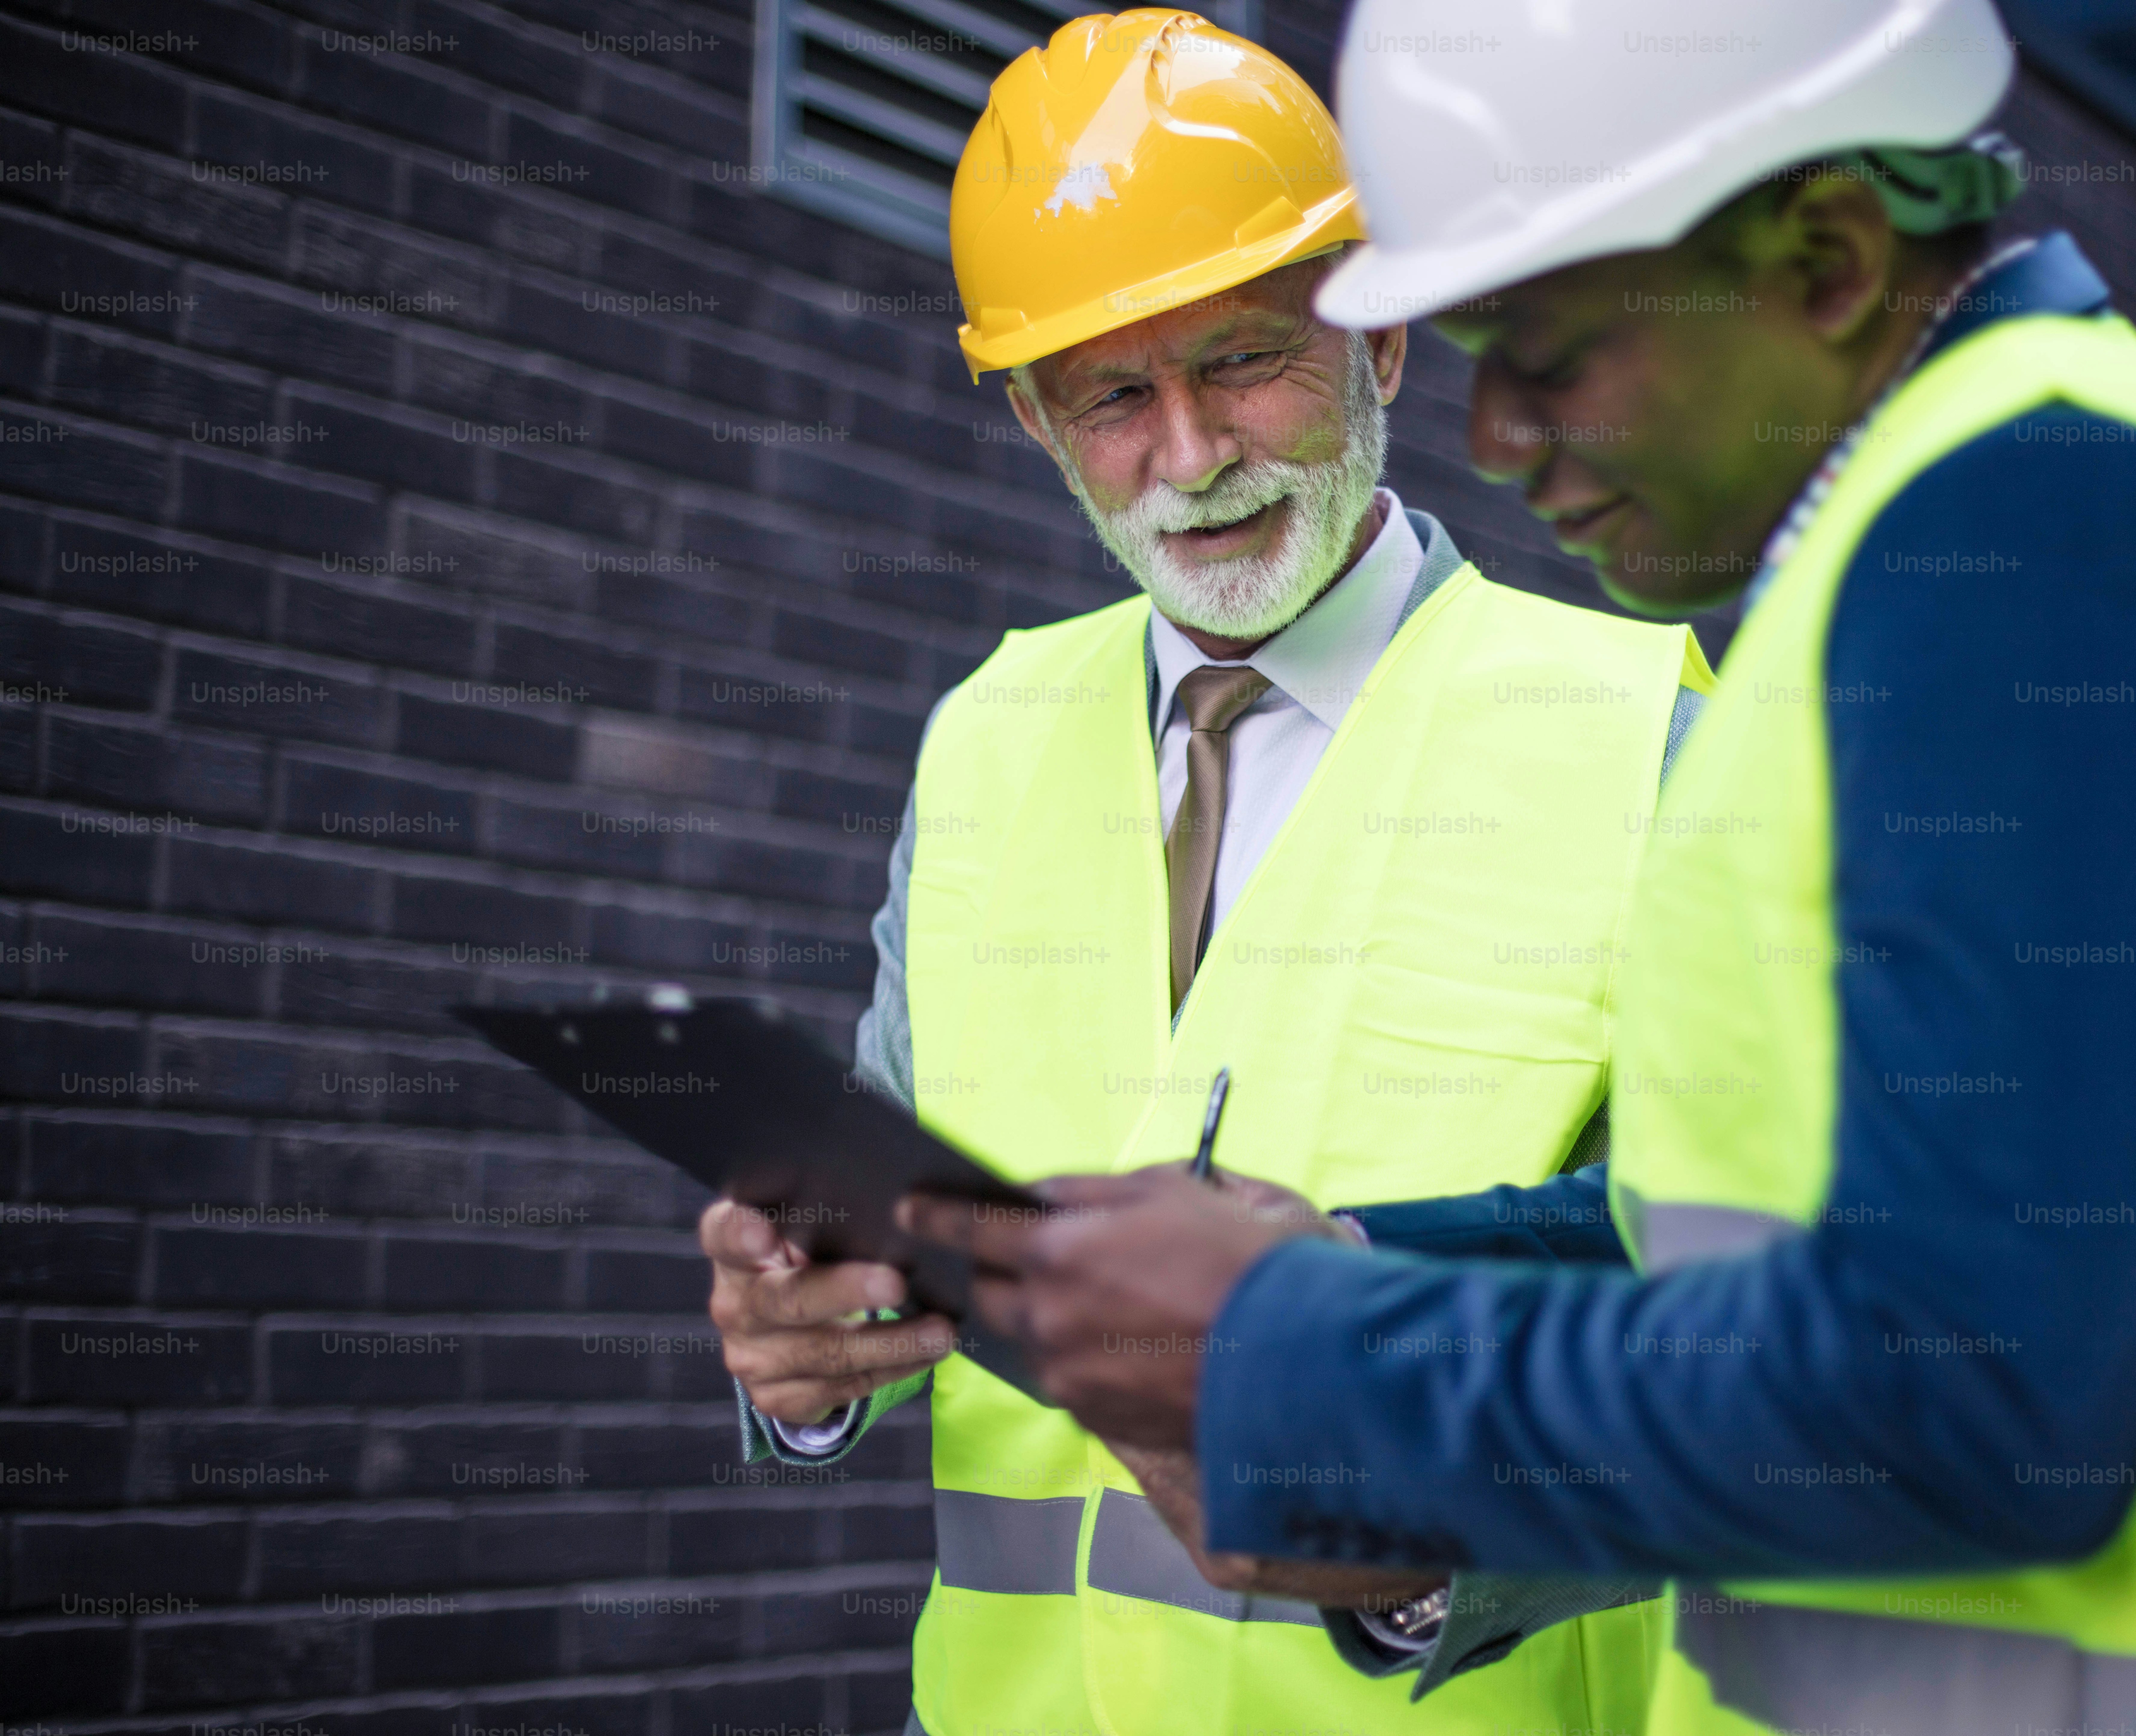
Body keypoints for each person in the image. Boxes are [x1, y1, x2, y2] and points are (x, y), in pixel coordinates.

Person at [903, 0, 2136, 1729]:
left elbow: (1974, 1395)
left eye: (1545, 350)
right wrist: (1347, 1266)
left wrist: (1313, 1365)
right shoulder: (1919, 561)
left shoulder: (2053, 553)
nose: (1498, 438)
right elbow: (1794, 1257)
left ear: (1830, 261)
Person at [700, 11, 1709, 1736]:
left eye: (1244, 359)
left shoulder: (1644, 733)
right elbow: (890, 1228)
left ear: (1381, 338)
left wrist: (1412, 1531)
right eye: (1112, 395)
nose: (1190, 455)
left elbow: (1746, 1312)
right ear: (1038, 422)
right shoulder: (986, 737)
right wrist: (809, 1351)